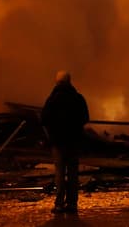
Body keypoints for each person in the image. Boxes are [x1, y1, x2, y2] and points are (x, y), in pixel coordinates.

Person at [40, 70, 89, 215]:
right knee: (73, 173)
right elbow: (85, 118)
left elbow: (43, 119)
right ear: (69, 81)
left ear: (57, 82)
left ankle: (59, 204)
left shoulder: (52, 99)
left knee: (60, 174)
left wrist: (53, 131)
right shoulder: (78, 99)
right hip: (74, 142)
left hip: (58, 143)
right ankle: (72, 204)